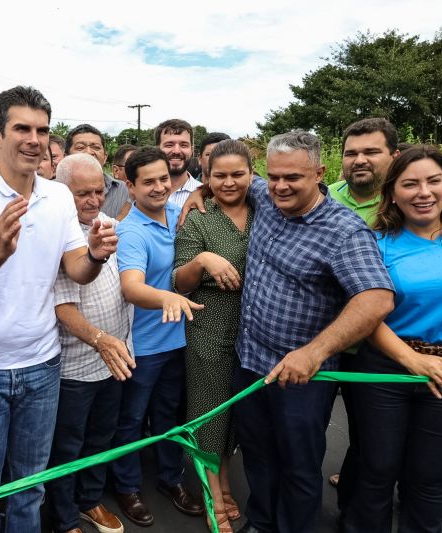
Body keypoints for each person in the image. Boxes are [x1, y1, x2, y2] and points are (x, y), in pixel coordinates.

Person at [0, 85, 118, 533]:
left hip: (41, 365)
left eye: (42, 129)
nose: (33, 139)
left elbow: (76, 270)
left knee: (30, 487)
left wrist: (94, 254)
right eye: (22, 128)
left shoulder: (57, 196)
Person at [221, 131, 395, 533]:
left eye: (294, 178)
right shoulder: (265, 196)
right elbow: (242, 182)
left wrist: (314, 352)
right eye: (275, 175)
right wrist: (197, 195)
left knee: (298, 465)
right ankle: (262, 522)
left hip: (301, 376)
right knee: (259, 454)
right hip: (251, 362)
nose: (281, 185)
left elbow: (376, 299)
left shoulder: (344, 231)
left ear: (319, 173)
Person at [344, 145, 442, 533]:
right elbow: (365, 311)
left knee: (429, 478)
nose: (423, 192)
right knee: (377, 471)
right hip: (387, 370)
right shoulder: (375, 243)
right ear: (393, 192)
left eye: (434, 181)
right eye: (410, 184)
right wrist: (412, 360)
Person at [111, 147, 204, 527]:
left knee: (169, 417)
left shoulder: (176, 213)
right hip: (143, 347)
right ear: (129, 186)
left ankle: (170, 479)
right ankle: (127, 486)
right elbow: (131, 287)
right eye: (147, 181)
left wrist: (198, 194)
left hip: (177, 340)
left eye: (164, 179)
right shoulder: (130, 230)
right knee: (131, 420)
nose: (159, 187)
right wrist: (168, 295)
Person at [46, 153, 135, 533]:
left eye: (99, 191)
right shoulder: (57, 235)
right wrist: (101, 340)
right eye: (83, 193)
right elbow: (63, 309)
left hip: (111, 361)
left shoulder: (107, 225)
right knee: (67, 446)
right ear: (61, 191)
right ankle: (64, 516)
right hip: (74, 367)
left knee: (102, 438)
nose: (94, 200)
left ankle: (90, 501)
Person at [173, 139, 254, 533]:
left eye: (238, 174)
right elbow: (178, 282)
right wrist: (203, 259)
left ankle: (223, 479)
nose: (228, 182)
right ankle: (212, 492)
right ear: (206, 177)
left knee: (239, 413)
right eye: (218, 175)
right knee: (210, 413)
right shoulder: (199, 218)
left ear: (252, 175)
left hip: (256, 330)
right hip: (210, 326)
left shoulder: (267, 210)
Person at [326, 117, 400, 517]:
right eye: (352, 153)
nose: (360, 160)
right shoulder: (326, 197)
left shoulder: (405, 204)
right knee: (307, 433)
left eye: (371, 152)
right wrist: (200, 191)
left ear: (395, 156)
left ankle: (352, 513)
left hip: (378, 343)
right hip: (321, 340)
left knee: (371, 443)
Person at [65, 124, 129, 218]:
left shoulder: (124, 189)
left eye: (96, 147)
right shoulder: (52, 191)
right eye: (80, 147)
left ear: (105, 157)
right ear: (66, 156)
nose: (89, 152)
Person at [154, 118, 200, 207]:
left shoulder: (207, 195)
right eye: (169, 145)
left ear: (192, 150)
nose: (176, 151)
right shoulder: (142, 193)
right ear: (157, 149)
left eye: (183, 145)